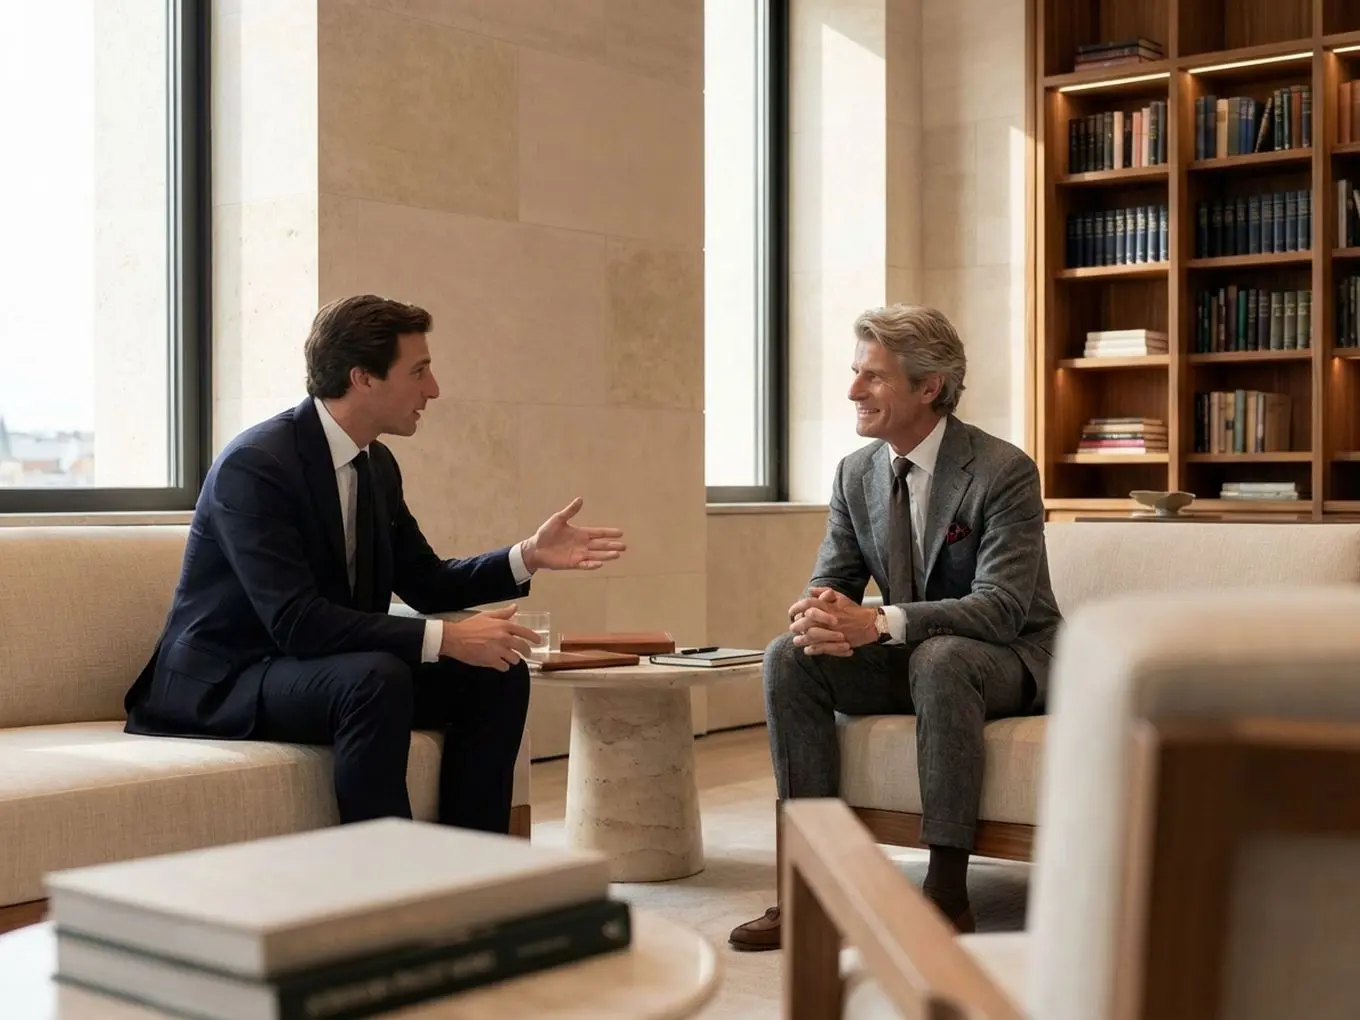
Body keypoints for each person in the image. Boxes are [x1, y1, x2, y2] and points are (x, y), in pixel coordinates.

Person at [124, 294, 626, 833]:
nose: (433, 390)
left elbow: (426, 582)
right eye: (419, 371)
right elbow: (295, 621)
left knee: (495, 673)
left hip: (317, 667)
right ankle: (389, 876)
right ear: (363, 378)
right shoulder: (256, 465)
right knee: (374, 678)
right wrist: (447, 638)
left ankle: (475, 868)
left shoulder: (376, 464)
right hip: (230, 678)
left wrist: (527, 555)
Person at [728, 304, 1062, 951]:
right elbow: (833, 580)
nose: (853, 390)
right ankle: (809, 888)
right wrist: (818, 615)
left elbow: (1000, 608)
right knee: (789, 656)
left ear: (929, 386)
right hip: (918, 656)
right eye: (856, 372)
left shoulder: (1003, 471)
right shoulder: (856, 473)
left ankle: (945, 895)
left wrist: (879, 621)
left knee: (941, 658)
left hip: (1010, 657)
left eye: (873, 376)